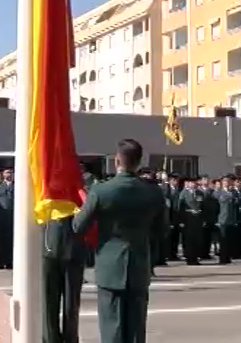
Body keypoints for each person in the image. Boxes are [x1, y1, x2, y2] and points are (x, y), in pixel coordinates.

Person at [73, 138, 166, 343]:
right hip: (139, 264)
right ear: (139, 162)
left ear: (117, 161)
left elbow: (78, 226)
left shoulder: (101, 190)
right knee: (135, 330)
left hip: (109, 266)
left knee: (111, 328)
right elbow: (162, 230)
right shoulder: (153, 192)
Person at [41, 186, 88, 343]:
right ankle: (50, 338)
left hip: (72, 251)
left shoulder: (80, 190)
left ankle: (70, 338)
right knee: (49, 302)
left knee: (71, 304)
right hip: (49, 249)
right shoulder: (44, 188)